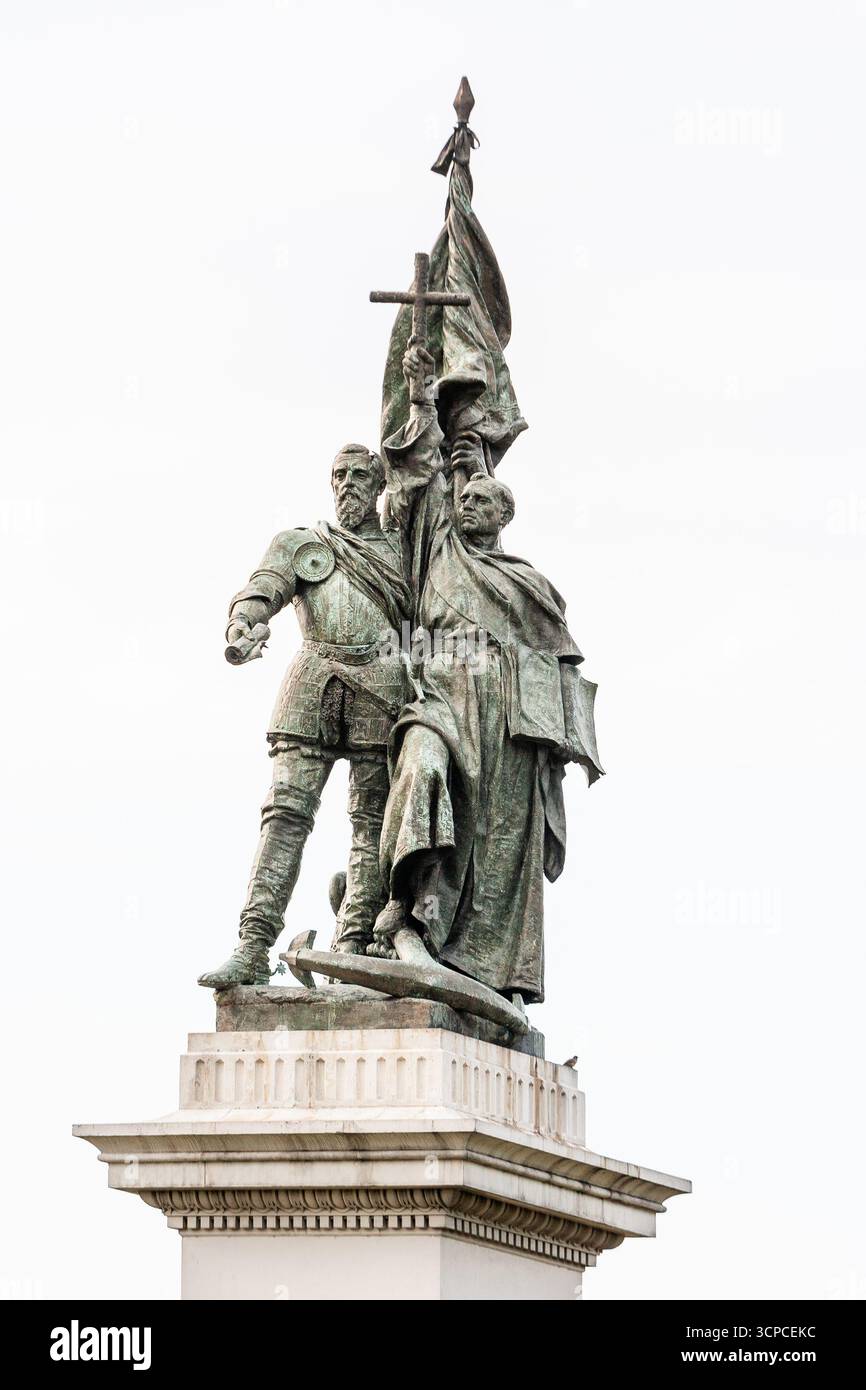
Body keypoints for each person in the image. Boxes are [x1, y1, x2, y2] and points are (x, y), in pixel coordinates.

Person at [198, 443, 412, 988]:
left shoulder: (405, 551)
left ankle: (353, 945)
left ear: (380, 484)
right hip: (311, 687)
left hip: (382, 689)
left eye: (360, 475)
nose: (347, 484)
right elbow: (261, 588)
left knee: (372, 825)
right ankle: (252, 945)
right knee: (284, 818)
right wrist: (243, 625)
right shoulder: (302, 543)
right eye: (338, 474)